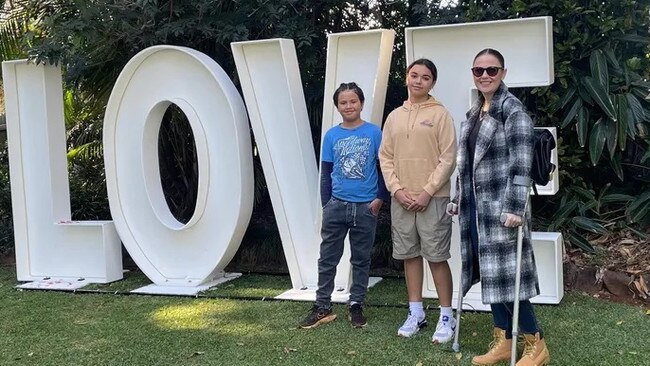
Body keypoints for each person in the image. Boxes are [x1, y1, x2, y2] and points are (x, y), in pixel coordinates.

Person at [449, 48, 550, 366]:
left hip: (504, 210)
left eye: (491, 70)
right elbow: (464, 164)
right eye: (478, 70)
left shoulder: (513, 111)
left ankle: (536, 343)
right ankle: (504, 340)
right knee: (492, 276)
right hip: (476, 210)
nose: (485, 76)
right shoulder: (473, 114)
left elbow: (522, 165)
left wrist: (515, 208)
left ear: (503, 73)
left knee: (510, 278)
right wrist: (456, 198)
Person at [379, 59, 457, 343]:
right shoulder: (394, 117)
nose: (418, 81)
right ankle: (416, 313)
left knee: (436, 257)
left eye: (425, 77)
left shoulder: (441, 115)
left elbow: (448, 158)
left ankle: (447, 316)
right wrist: (397, 190)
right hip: (402, 197)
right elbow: (385, 157)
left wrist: (427, 191)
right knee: (409, 256)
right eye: (414, 75)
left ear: (432, 83)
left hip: (433, 198)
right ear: (406, 78)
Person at [299, 82, 389, 329]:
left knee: (361, 259)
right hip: (336, 205)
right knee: (328, 258)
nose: (348, 106)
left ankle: (356, 304)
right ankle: (322, 305)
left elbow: (384, 168)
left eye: (353, 101)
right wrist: (326, 204)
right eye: (343, 102)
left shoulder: (374, 133)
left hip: (366, 206)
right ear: (337, 106)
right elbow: (326, 173)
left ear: (361, 103)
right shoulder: (332, 135)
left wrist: (380, 197)